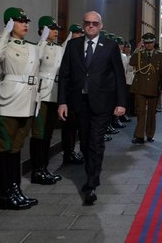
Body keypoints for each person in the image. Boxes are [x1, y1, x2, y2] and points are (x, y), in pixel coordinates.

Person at [57, 11, 127, 205]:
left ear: (101, 26)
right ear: (83, 24)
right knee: (86, 142)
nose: (91, 26)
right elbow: (64, 75)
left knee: (96, 141)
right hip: (80, 103)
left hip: (102, 103)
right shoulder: (72, 46)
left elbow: (119, 76)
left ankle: (91, 183)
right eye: (87, 23)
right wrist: (62, 102)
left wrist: (121, 103)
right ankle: (92, 172)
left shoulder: (110, 46)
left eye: (95, 23)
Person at [0, 7, 41, 210]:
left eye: (26, 21)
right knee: (2, 148)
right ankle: (5, 194)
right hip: (8, 102)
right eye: (20, 21)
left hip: (28, 101)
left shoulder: (32, 47)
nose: (25, 25)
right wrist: (6, 31)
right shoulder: (4, 44)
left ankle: (15, 189)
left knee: (16, 148)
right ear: (10, 23)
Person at [30, 16, 66, 185]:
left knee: (48, 133)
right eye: (51, 28)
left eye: (56, 28)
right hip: (41, 94)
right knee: (39, 133)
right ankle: (37, 170)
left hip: (54, 93)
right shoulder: (38, 47)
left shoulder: (58, 48)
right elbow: (35, 60)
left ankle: (44, 168)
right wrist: (43, 39)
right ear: (42, 30)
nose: (55, 31)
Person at [130, 33, 162, 144]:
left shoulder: (160, 55)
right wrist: (137, 49)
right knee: (141, 113)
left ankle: (150, 134)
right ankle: (139, 136)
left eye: (150, 43)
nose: (148, 45)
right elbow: (132, 62)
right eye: (146, 43)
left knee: (151, 113)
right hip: (140, 88)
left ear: (153, 43)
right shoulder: (140, 53)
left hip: (154, 88)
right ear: (143, 44)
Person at [60, 24, 85, 165]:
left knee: (75, 127)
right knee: (68, 128)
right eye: (76, 33)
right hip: (68, 95)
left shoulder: (79, 49)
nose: (79, 35)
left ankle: (72, 152)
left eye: (80, 33)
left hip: (77, 96)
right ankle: (67, 153)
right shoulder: (66, 47)